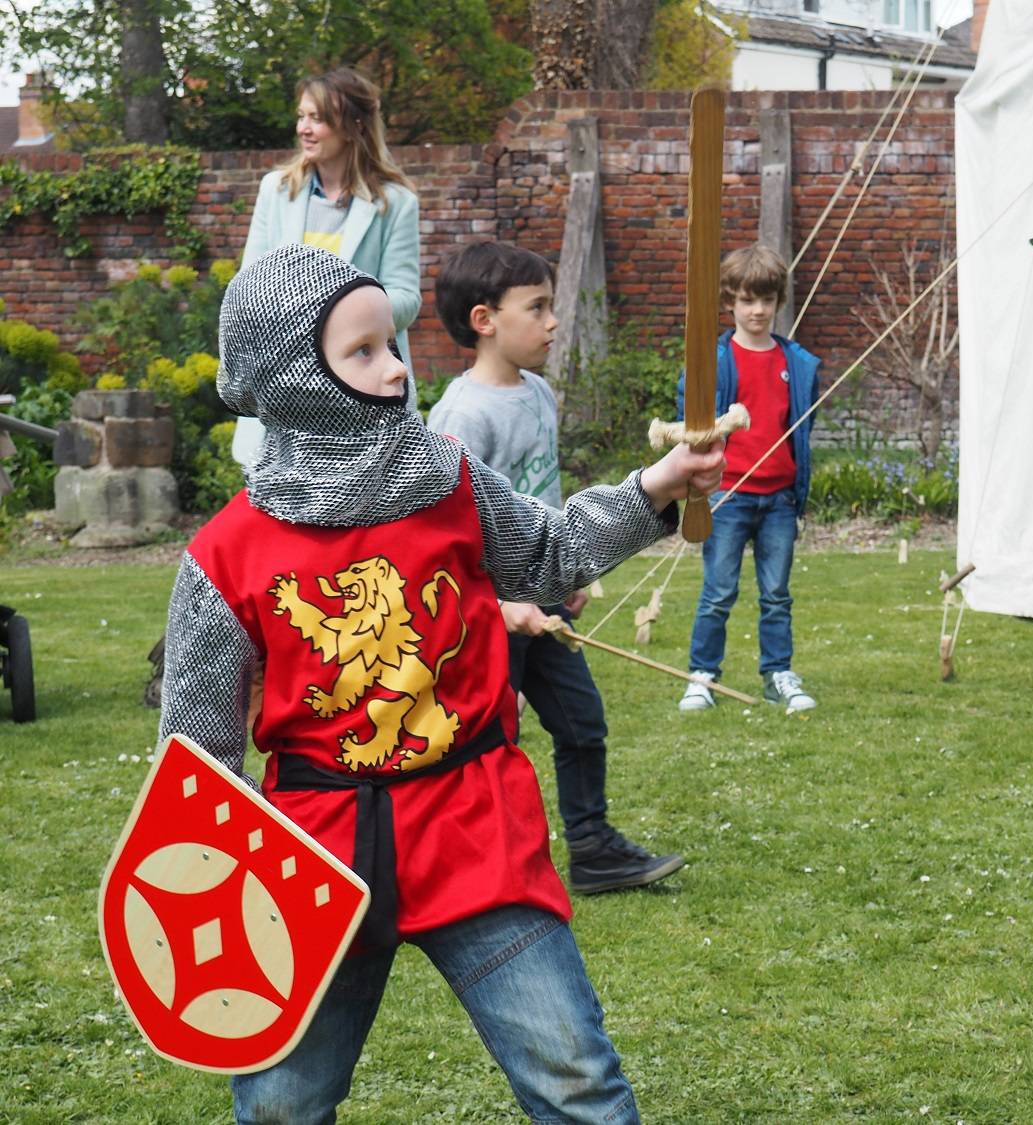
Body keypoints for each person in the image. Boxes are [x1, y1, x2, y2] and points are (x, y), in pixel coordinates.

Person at [158, 243, 723, 1122]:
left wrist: (655, 485)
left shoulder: (447, 477)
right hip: (314, 862)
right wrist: (229, 896)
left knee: (578, 1083)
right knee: (279, 1108)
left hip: (472, 830)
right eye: (361, 352)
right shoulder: (223, 555)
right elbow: (196, 761)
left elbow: (547, 553)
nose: (394, 371)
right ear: (293, 376)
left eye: (393, 345)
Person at [428, 241, 685, 894]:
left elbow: (542, 499)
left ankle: (594, 848)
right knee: (488, 735)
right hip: (493, 611)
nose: (552, 321)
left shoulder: (539, 393)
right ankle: (476, 861)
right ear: (484, 320)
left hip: (544, 600)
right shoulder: (461, 417)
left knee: (582, 722)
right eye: (537, 307)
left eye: (552, 306)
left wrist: (564, 576)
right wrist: (501, 605)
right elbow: (452, 531)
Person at [231, 66, 421, 467]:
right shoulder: (276, 191)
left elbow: (407, 298)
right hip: (285, 386)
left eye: (318, 118)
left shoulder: (395, 202)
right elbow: (248, 284)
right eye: (302, 116)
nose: (305, 128)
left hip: (361, 386)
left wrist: (346, 315)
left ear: (353, 125)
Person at [678, 244, 821, 715]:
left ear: (778, 301)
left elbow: (799, 426)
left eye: (765, 300)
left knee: (777, 595)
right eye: (746, 300)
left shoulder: (795, 362)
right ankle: (702, 676)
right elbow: (691, 414)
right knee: (719, 592)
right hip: (728, 495)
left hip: (779, 498)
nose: (757, 311)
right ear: (729, 302)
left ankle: (778, 673)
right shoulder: (716, 359)